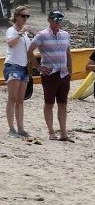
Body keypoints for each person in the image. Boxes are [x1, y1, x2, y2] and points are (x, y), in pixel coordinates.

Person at [27, 10, 74, 142]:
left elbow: (68, 54)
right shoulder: (42, 35)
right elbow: (30, 51)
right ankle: (51, 132)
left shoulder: (65, 35)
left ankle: (63, 133)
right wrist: (38, 67)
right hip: (49, 74)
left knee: (63, 104)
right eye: (55, 18)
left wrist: (70, 71)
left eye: (60, 18)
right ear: (49, 19)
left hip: (63, 74)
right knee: (49, 103)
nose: (57, 21)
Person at [3, 6, 32, 137]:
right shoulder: (12, 30)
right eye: (23, 16)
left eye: (27, 16)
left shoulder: (25, 33)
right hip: (13, 65)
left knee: (20, 99)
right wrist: (20, 33)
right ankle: (11, 128)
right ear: (16, 16)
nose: (25, 18)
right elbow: (10, 44)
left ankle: (21, 128)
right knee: (12, 98)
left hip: (23, 67)